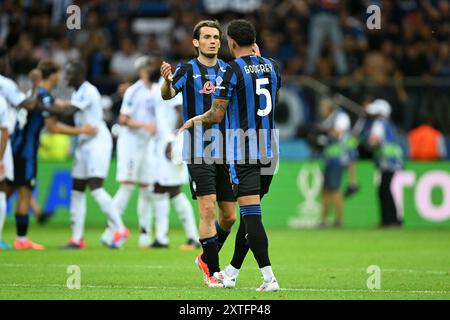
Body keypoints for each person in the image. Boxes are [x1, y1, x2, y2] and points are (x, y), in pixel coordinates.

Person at [181, 19, 281, 292]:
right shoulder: (272, 66)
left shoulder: (232, 70)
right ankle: (232, 271)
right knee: (251, 215)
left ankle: (269, 278)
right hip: (271, 151)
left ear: (231, 43)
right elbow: (274, 101)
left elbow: (217, 114)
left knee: (251, 217)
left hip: (245, 149)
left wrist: (195, 120)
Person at [160, 20, 237, 288]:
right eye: (207, 37)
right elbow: (168, 95)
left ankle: (205, 258)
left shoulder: (229, 70)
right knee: (206, 209)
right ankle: (213, 272)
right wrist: (166, 83)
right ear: (196, 42)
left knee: (229, 216)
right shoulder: (186, 69)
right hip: (197, 149)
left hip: (226, 149)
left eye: (216, 37)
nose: (213, 41)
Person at [8, 59, 96, 250]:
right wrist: (82, 130)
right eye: (58, 73)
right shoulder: (44, 96)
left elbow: (60, 104)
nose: (61, 77)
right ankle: (21, 239)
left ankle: (24, 234)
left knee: (8, 191)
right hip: (26, 150)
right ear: (52, 75)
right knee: (22, 193)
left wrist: (77, 103)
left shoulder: (34, 94)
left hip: (14, 147)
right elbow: (53, 127)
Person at [56, 61, 129, 249]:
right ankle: (77, 238)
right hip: (83, 141)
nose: (67, 76)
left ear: (80, 73)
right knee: (77, 189)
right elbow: (69, 106)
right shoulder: (77, 92)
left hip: (97, 142)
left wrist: (44, 106)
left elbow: (69, 110)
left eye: (70, 72)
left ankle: (120, 228)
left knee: (95, 187)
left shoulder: (88, 91)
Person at [102, 56, 158, 249]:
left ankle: (145, 234)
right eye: (149, 67)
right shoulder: (134, 91)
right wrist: (145, 125)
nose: (152, 70)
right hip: (131, 143)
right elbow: (123, 119)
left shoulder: (157, 89)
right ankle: (112, 232)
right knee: (127, 186)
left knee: (146, 189)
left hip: (146, 144)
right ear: (142, 70)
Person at [153, 76, 200, 250]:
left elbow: (180, 112)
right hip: (163, 143)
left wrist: (173, 138)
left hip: (174, 141)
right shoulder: (158, 86)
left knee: (173, 190)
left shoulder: (172, 85)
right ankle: (161, 237)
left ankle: (193, 238)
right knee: (159, 187)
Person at [367, 99, 403, 227]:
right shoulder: (389, 124)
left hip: (386, 161)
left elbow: (374, 140)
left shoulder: (379, 123)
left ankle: (390, 220)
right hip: (393, 161)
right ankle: (390, 219)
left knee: (385, 190)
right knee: (385, 189)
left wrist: (369, 144)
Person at [317, 97, 351, 228]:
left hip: (338, 157)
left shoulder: (340, 117)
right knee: (325, 189)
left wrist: (324, 130)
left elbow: (339, 133)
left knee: (335, 189)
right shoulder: (328, 119)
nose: (321, 110)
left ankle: (339, 220)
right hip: (329, 157)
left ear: (328, 108)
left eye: (323, 107)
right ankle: (324, 220)